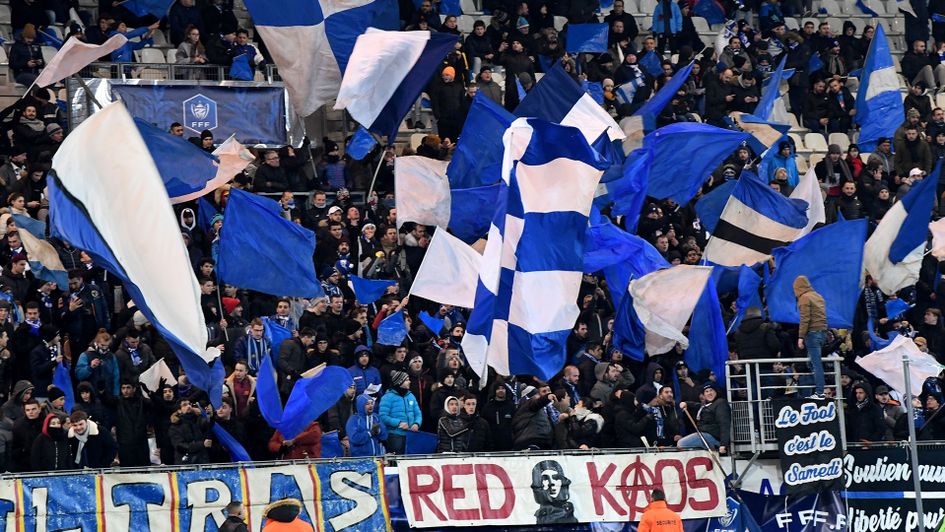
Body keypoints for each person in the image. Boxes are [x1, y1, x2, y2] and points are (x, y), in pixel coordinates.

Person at [795, 275, 828, 398]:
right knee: (813, 363)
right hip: (822, 333)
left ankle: (819, 392)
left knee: (815, 364)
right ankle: (818, 389)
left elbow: (805, 319)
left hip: (812, 333)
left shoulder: (804, 298)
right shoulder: (818, 296)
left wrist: (801, 337)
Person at [677, 382, 731, 454]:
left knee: (682, 444)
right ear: (704, 394)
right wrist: (686, 403)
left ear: (716, 392)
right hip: (704, 435)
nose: (709, 393)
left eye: (711, 390)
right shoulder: (707, 405)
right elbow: (698, 405)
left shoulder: (720, 403)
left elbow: (724, 424)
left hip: (713, 437)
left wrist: (724, 444)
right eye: (706, 391)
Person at [378, 370, 422, 454]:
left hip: (411, 435)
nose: (409, 381)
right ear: (399, 382)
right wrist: (399, 423)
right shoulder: (387, 397)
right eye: (406, 380)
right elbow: (383, 416)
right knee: (396, 462)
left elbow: (418, 413)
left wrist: (416, 423)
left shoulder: (411, 396)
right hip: (395, 436)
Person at [530, 460, 577, 524]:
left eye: (556, 478)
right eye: (545, 479)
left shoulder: (570, 513)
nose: (551, 483)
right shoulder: (535, 517)